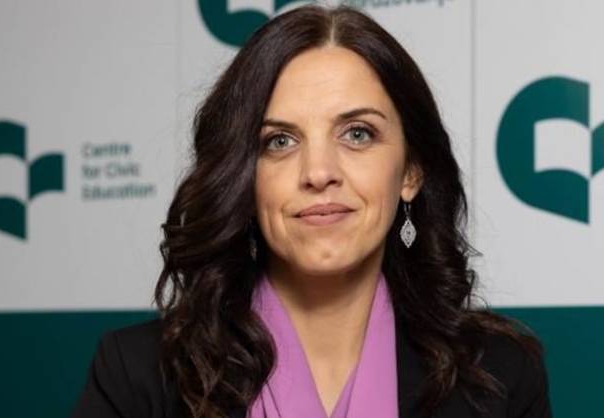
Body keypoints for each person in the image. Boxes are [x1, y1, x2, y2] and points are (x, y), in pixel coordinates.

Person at [72, 4, 551, 418]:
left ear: (410, 171)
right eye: (280, 141)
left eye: (358, 134)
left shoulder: (499, 374)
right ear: (244, 177)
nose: (319, 172)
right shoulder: (138, 374)